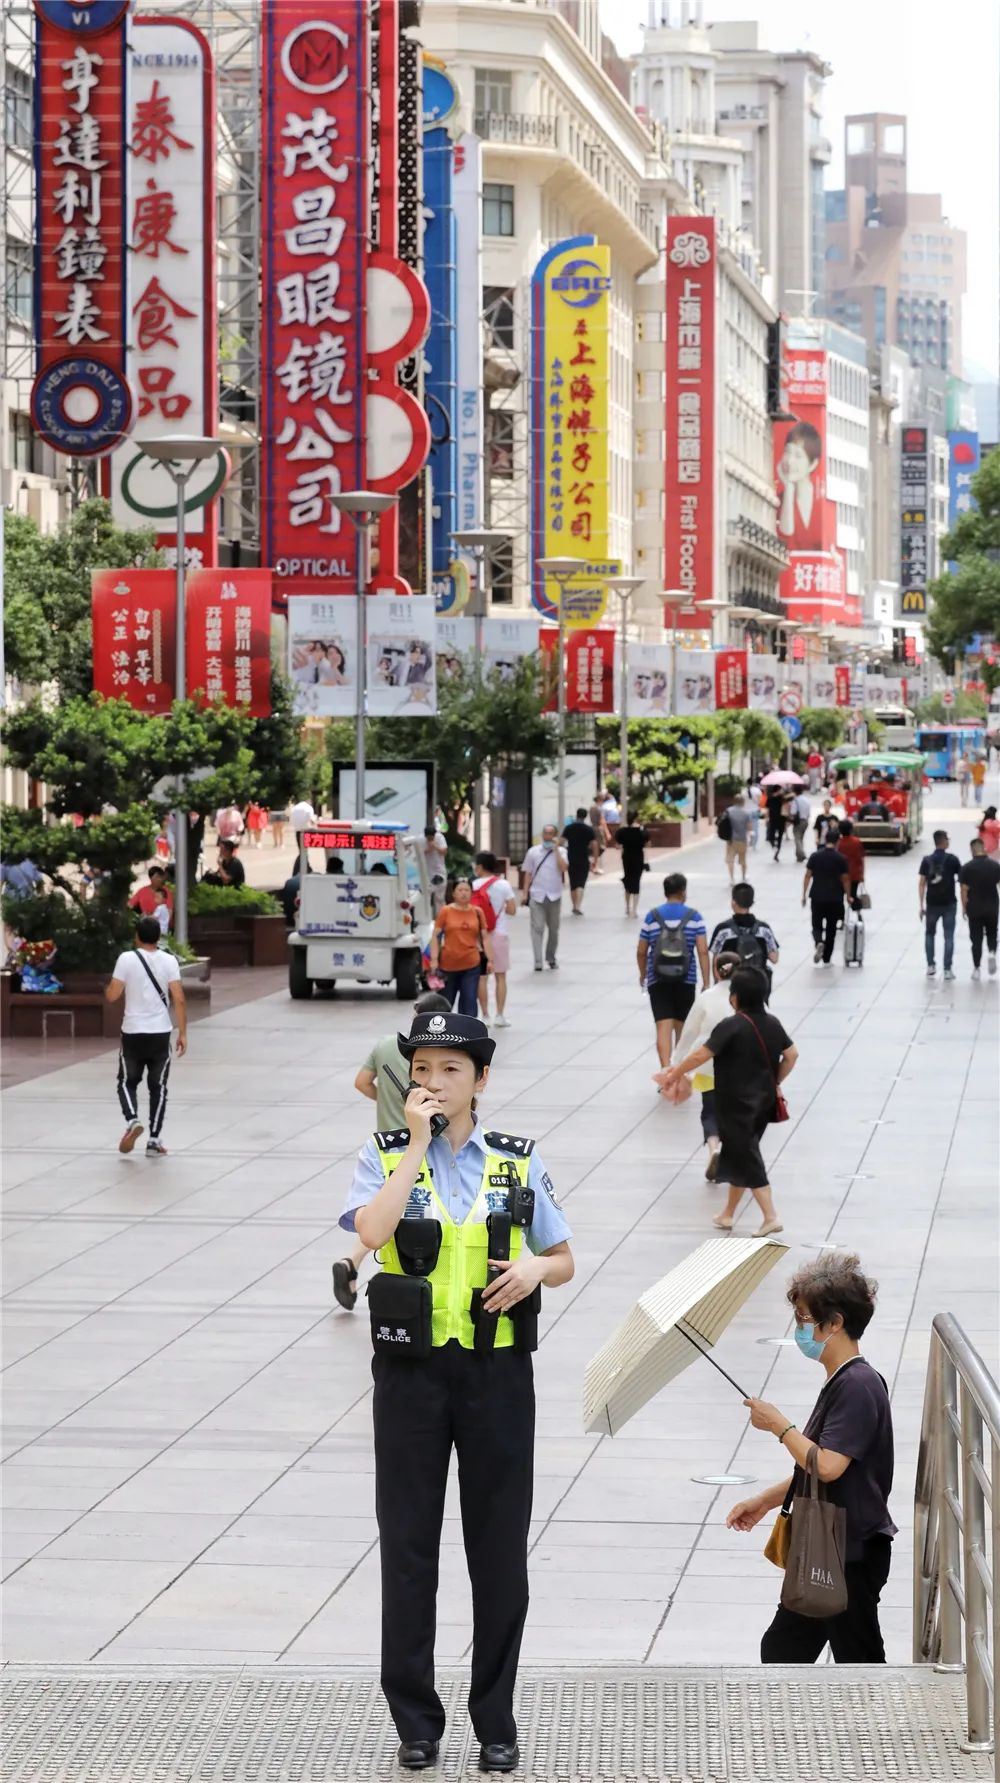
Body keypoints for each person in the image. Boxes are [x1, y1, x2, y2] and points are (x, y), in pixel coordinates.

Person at [341, 1011, 574, 1774]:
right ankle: (415, 1718)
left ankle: (495, 1717)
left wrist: (537, 1269)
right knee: (408, 1546)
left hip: (497, 1376)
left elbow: (564, 1254)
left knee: (498, 1550)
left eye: (450, 1068)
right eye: (423, 1067)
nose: (433, 1081)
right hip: (408, 1378)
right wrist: (413, 1145)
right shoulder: (384, 1154)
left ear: (480, 1080)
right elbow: (371, 1233)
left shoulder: (516, 1160)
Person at [729, 1254, 895, 1665]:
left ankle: (877, 1725)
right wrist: (765, 1501)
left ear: (834, 1323)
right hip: (831, 1545)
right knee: (786, 1651)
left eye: (804, 1318)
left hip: (848, 1549)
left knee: (856, 1659)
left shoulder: (857, 1385)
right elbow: (819, 1466)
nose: (799, 1328)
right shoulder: (843, 1381)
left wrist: (780, 1425)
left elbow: (828, 1466)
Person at [335, 991, 455, 1312]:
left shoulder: (386, 1045)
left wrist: (387, 1103)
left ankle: (352, 1263)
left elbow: (361, 1082)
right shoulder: (447, 1056)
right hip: (423, 1144)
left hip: (388, 1143)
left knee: (388, 1213)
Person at [656, 965, 796, 1237]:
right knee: (739, 1152)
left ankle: (770, 1216)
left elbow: (700, 1055)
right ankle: (728, 1214)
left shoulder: (732, 1026)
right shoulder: (773, 1023)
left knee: (748, 1155)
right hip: (764, 1101)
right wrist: (776, 1080)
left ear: (735, 998)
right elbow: (792, 1055)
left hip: (736, 1103)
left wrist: (675, 1072)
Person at [105, 915, 187, 1157]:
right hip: (160, 1032)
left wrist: (109, 988)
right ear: (159, 937)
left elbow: (112, 995)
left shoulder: (126, 959)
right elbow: (179, 998)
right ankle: (153, 1141)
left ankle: (132, 1120)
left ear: (137, 936)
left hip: (132, 1032)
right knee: (158, 1086)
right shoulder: (170, 961)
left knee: (126, 1082)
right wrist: (183, 1032)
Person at [673, 952, 740, 1183]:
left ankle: (713, 1149)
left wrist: (676, 1063)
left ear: (715, 970)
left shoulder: (706, 997)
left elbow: (689, 1031)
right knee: (733, 1112)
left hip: (707, 1065)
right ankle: (731, 1155)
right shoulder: (746, 996)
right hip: (738, 1066)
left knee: (710, 1110)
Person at [637, 871, 710, 1067]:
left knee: (662, 1026)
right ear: (683, 892)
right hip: (686, 979)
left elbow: (641, 951)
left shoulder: (652, 917)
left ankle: (664, 1070)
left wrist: (643, 974)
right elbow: (703, 950)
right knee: (682, 1028)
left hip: (657, 979)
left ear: (665, 892)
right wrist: (706, 981)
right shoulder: (694, 917)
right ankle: (678, 1070)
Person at [430, 878, 493, 1016]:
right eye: (460, 890)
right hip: (448, 965)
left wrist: (490, 959)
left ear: (471, 893)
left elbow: (485, 937)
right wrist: (434, 959)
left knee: (469, 1002)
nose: (463, 893)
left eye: (467, 890)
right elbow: (436, 936)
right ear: (453, 893)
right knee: (445, 1003)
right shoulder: (445, 911)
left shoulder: (477, 912)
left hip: (471, 964)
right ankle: (442, 1033)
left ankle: (467, 1034)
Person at [473, 851, 517, 1027]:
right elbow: (513, 910)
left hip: (479, 935)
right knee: (500, 977)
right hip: (499, 933)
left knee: (482, 977)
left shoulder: (473, 885)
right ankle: (500, 1015)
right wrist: (498, 910)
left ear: (481, 866)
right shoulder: (503, 885)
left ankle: (485, 1016)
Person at [709, 883, 779, 989]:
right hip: (757, 986)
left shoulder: (723, 930)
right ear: (752, 903)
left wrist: (717, 984)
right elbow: (774, 958)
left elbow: (716, 962)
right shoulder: (764, 929)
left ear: (733, 902)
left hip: (732, 986)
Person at [521, 824, 567, 971]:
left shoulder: (562, 851)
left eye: (551, 833)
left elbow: (563, 868)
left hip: (554, 895)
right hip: (537, 895)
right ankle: (538, 960)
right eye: (546, 833)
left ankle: (550, 957)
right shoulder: (533, 852)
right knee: (537, 928)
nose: (548, 836)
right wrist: (524, 893)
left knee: (554, 929)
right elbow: (527, 873)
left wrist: (556, 851)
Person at [918, 829, 962, 981]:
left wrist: (921, 905)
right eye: (947, 839)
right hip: (949, 902)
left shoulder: (927, 860)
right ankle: (947, 969)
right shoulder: (953, 859)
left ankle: (931, 965)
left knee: (930, 934)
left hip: (932, 903)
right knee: (948, 936)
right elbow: (962, 881)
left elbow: (922, 883)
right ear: (944, 841)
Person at [803, 835, 850, 966]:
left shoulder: (815, 856)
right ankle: (827, 959)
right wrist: (848, 895)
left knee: (816, 925)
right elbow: (845, 879)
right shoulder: (841, 858)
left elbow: (807, 876)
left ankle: (818, 941)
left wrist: (804, 894)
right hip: (835, 898)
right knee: (831, 929)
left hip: (817, 896)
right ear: (837, 842)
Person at [959, 836, 1000, 980]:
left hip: (974, 908)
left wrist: (964, 908)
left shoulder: (967, 867)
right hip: (992, 907)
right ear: (984, 848)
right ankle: (992, 953)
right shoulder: (995, 866)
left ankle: (976, 968)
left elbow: (964, 890)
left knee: (976, 939)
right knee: (992, 933)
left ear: (972, 850)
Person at [562, 807, 599, 914]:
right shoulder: (588, 829)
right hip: (584, 858)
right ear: (586, 816)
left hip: (571, 858)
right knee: (581, 883)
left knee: (573, 883)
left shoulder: (569, 828)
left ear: (576, 815)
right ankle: (578, 906)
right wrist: (595, 860)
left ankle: (574, 905)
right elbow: (595, 845)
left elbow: (562, 841)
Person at [615, 810, 648, 918]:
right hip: (638, 858)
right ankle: (634, 909)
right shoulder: (642, 830)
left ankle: (627, 907)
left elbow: (617, 845)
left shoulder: (622, 831)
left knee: (628, 880)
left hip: (627, 858)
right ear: (636, 818)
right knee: (636, 881)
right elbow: (648, 844)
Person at [836, 819, 866, 911]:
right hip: (854, 875)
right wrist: (862, 875)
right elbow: (861, 859)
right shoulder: (857, 842)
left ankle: (840, 917)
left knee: (839, 897)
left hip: (840, 876)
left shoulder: (838, 843)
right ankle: (858, 912)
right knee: (853, 894)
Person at [722, 793, 752, 883]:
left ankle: (732, 879)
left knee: (730, 859)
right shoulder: (746, 813)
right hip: (742, 839)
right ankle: (743, 877)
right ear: (743, 802)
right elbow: (749, 827)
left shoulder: (728, 811)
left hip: (730, 839)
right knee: (743, 859)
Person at [421, 827, 448, 915]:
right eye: (428, 838)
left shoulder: (440, 838)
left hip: (439, 871)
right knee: (426, 896)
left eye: (431, 838)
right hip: (427, 871)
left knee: (439, 897)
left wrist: (434, 846)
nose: (429, 839)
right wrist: (428, 849)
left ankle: (440, 917)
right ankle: (425, 917)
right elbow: (419, 852)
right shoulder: (421, 839)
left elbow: (444, 851)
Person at [587, 795, 610, 872]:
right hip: (598, 829)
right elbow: (602, 821)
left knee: (595, 847)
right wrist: (607, 832)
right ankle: (595, 864)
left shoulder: (591, 808)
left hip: (593, 828)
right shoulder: (598, 809)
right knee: (599, 847)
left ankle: (594, 864)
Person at [765, 787, 788, 861]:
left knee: (778, 837)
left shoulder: (783, 798)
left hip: (778, 820)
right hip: (776, 820)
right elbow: (767, 810)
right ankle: (775, 849)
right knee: (773, 837)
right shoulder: (773, 799)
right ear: (777, 790)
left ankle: (776, 852)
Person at [790, 789, 811, 864]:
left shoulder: (795, 800)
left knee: (797, 838)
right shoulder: (806, 799)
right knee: (801, 838)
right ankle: (799, 856)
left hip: (798, 821)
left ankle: (802, 853)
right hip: (805, 820)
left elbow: (793, 812)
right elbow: (809, 812)